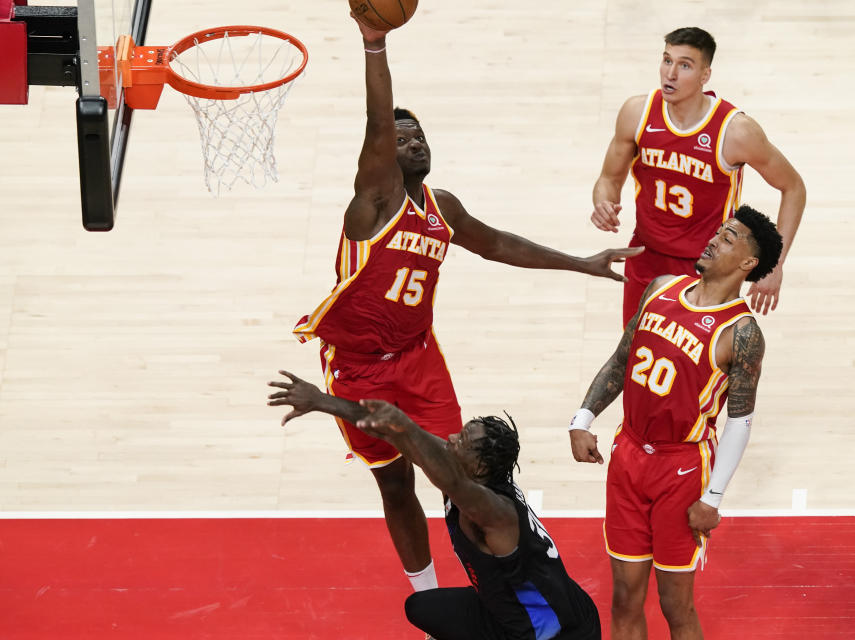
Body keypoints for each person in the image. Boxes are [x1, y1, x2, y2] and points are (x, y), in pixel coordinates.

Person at [291, 16, 640, 597]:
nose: (413, 142)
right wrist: (373, 46)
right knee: (396, 485)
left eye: (420, 135)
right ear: (382, 155)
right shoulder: (373, 204)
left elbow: (499, 245)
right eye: (401, 140)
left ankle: (520, 575)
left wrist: (579, 262)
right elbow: (379, 123)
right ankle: (427, 597)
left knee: (465, 476)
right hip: (357, 365)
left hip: (418, 356)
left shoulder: (442, 207)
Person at [566, 205, 783, 639]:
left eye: (728, 238)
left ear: (747, 263)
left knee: (674, 604)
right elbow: (622, 359)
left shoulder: (741, 333)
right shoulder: (661, 288)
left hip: (681, 468)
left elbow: (740, 421)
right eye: (718, 231)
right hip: (628, 454)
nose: (713, 239)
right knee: (624, 598)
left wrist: (713, 498)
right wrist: (583, 417)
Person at [268, 371, 603, 640]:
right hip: (506, 607)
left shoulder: (494, 513)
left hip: (554, 631)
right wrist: (322, 401)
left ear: (481, 467)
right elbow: (391, 433)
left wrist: (407, 426)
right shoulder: (465, 468)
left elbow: (450, 482)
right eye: (459, 434)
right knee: (422, 608)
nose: (452, 439)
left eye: (463, 442)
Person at [591, 27, 804, 324]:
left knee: (696, 366)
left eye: (685, 65)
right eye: (667, 61)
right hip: (645, 257)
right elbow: (609, 180)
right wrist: (603, 202)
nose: (671, 74)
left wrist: (774, 266)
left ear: (705, 75)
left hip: (708, 268)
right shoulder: (637, 113)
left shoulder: (735, 131)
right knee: (637, 361)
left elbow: (793, 187)